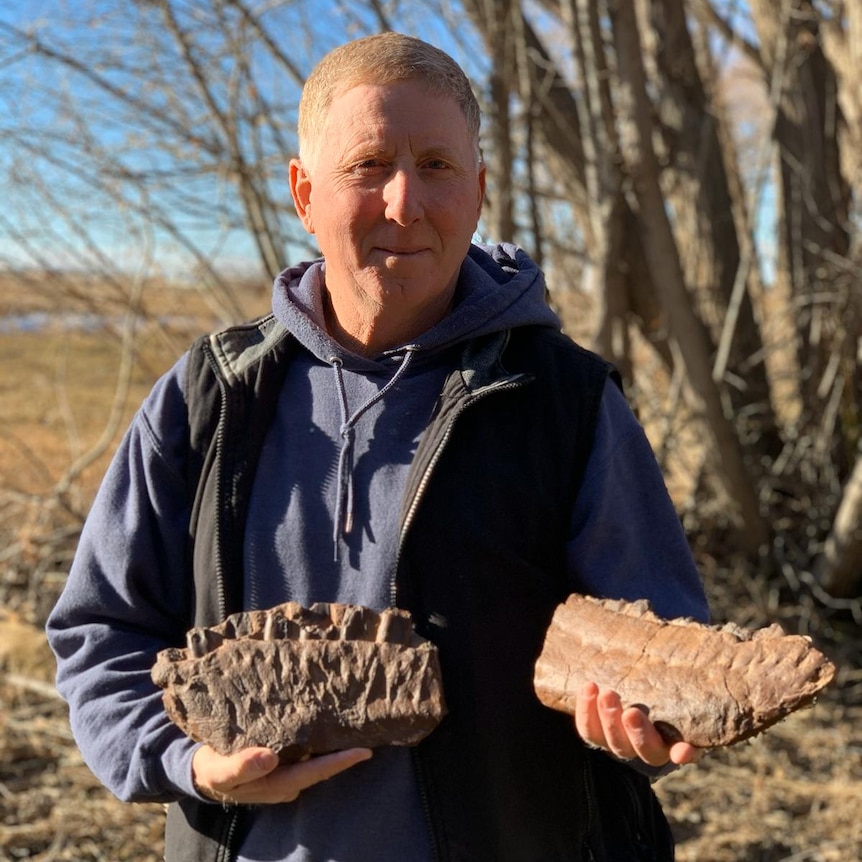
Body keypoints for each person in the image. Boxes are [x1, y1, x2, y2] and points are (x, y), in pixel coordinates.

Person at [47, 32, 709, 862]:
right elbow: (100, 631)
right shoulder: (210, 398)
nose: (405, 203)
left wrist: (642, 724)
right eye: (367, 166)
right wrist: (190, 761)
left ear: (478, 189)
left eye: (436, 165)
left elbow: (661, 637)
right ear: (303, 193)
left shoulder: (566, 402)